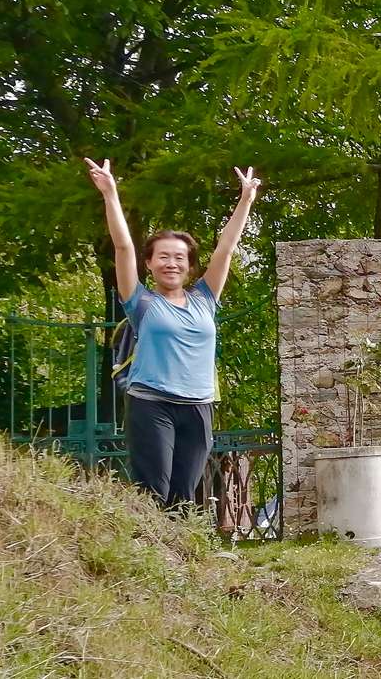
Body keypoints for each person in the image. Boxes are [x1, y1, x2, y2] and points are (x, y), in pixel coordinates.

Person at [86, 159, 259, 510]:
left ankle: (182, 562)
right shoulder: (141, 303)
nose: (171, 263)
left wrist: (245, 201)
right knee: (154, 491)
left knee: (184, 496)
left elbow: (225, 250)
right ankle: (149, 556)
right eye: (163, 257)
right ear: (149, 263)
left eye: (179, 258)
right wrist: (110, 193)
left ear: (189, 265)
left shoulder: (205, 299)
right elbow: (122, 248)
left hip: (198, 405)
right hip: (151, 404)